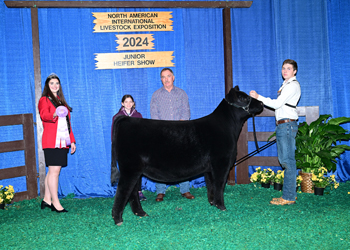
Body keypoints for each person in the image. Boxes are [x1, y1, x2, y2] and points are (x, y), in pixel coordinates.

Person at [250, 59, 301, 205]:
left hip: (286, 125)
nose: (285, 71)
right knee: (286, 160)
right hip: (284, 125)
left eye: (289, 68)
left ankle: (289, 197)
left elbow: (277, 104)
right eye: (283, 68)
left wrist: (258, 97)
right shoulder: (286, 85)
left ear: (295, 71)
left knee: (287, 161)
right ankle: (290, 194)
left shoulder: (292, 85)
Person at [150, 68, 195, 202]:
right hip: (162, 134)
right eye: (163, 77)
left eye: (168, 76)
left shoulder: (181, 93)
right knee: (161, 162)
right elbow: (154, 115)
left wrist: (177, 130)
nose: (166, 79)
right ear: (161, 79)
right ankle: (160, 191)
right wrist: (164, 131)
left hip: (180, 133)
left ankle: (185, 189)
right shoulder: (156, 95)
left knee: (182, 161)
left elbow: (186, 113)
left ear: (173, 77)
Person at [38, 73, 76, 213]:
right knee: (55, 172)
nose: (55, 85)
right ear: (47, 86)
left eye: (57, 83)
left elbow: (67, 123)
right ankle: (56, 203)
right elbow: (43, 115)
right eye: (52, 83)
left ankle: (47, 199)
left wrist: (71, 140)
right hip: (51, 140)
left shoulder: (61, 102)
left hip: (62, 141)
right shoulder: (44, 100)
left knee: (53, 171)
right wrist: (54, 114)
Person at [111, 95, 147, 201]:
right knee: (125, 171)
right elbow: (114, 133)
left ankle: (139, 192)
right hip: (123, 147)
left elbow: (142, 131)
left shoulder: (138, 115)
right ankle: (126, 193)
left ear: (133, 103)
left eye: (130, 102)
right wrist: (116, 146)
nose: (128, 104)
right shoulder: (117, 116)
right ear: (122, 103)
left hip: (136, 147)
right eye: (126, 102)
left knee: (138, 169)